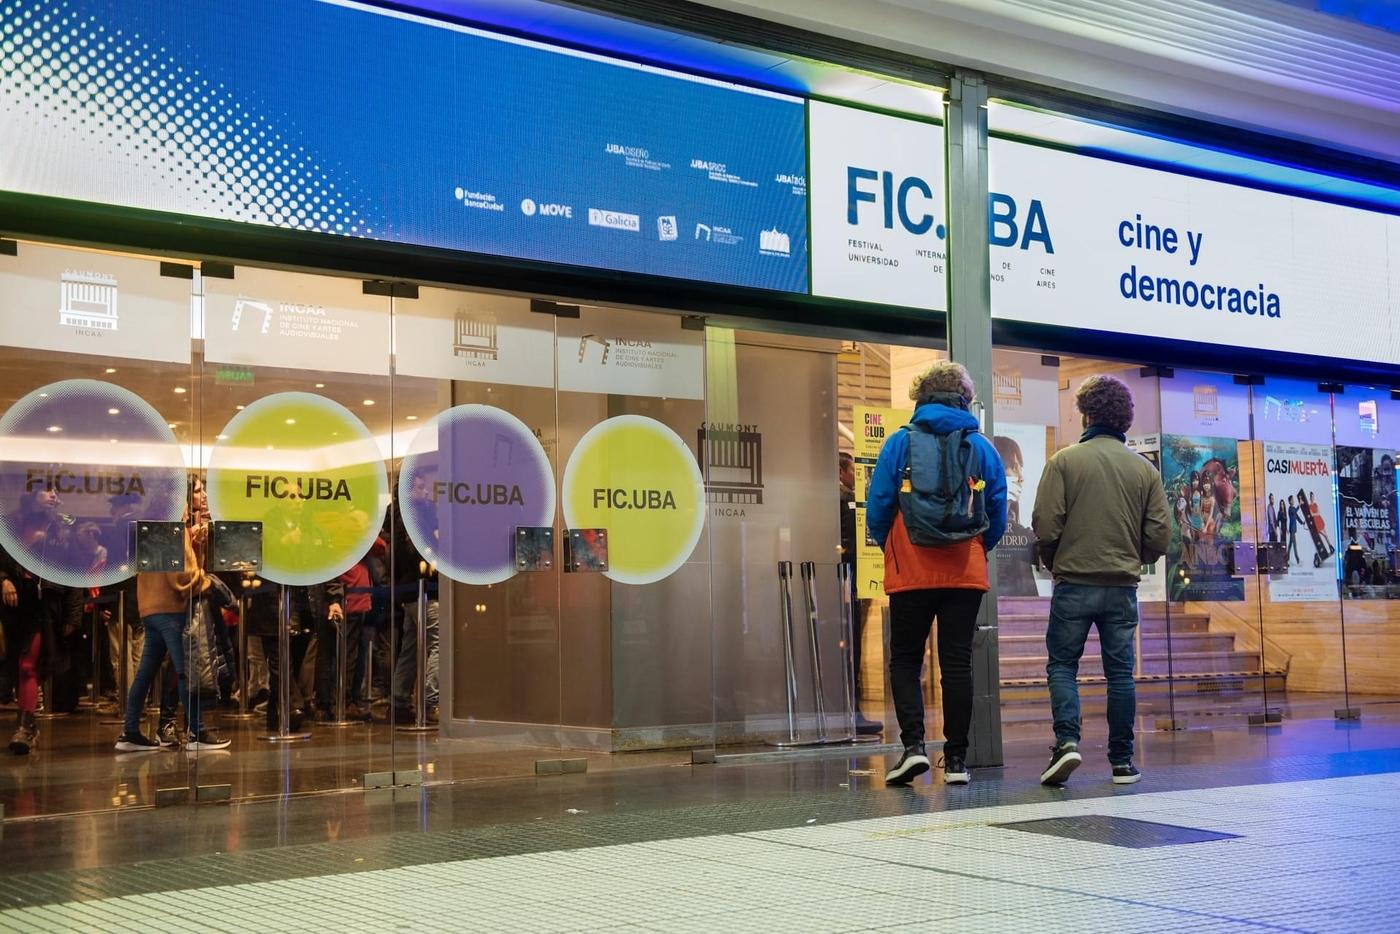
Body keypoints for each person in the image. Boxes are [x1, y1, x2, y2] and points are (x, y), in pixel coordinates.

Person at [865, 361, 1007, 786]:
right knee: (957, 664)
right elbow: (998, 510)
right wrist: (977, 546)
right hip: (964, 571)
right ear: (965, 398)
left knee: (906, 659)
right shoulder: (981, 447)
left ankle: (912, 749)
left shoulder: (900, 443)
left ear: (920, 397)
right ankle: (958, 760)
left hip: (912, 569)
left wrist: (892, 546)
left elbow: (879, 506)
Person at [1032, 375, 1170, 786]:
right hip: (1121, 586)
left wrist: (1056, 559)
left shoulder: (1064, 462)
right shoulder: (1144, 471)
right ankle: (1123, 761)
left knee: (1062, 665)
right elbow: (1160, 534)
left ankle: (1068, 743)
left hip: (1074, 582)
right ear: (1125, 418)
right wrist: (1135, 558)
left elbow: (1045, 525)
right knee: (1121, 674)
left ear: (1086, 414)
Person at [114, 479, 230, 752]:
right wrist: (208, 583)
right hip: (171, 610)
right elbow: (182, 578)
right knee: (186, 671)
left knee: (146, 672)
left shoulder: (153, 527)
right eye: (194, 495)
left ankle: (130, 731)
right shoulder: (172, 529)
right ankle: (197, 733)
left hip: (151, 609)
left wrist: (194, 545)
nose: (196, 501)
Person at [838, 452, 881, 736]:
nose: (856, 477)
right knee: (851, 645)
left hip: (848, 582)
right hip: (849, 582)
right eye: (852, 470)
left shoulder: (842, 501)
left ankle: (851, 710)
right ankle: (850, 711)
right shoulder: (845, 502)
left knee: (850, 644)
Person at [1286, 494, 1302, 565]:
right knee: (1294, 545)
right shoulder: (1290, 509)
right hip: (1292, 529)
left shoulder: (1293, 509)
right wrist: (1299, 505)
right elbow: (1295, 511)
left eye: (1293, 499)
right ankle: (1297, 560)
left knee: (1290, 545)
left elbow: (1297, 517)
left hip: (1293, 529)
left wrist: (1302, 522)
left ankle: (1287, 559)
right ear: (1289, 502)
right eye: (1292, 500)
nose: (1293, 500)